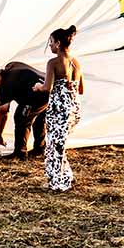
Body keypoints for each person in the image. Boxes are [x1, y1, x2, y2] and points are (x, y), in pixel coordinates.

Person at [33, 25, 84, 192]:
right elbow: (81, 89)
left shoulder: (53, 63)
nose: (50, 45)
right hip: (74, 108)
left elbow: (47, 88)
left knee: (54, 146)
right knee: (59, 145)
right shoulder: (76, 62)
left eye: (51, 42)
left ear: (59, 43)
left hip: (59, 109)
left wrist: (38, 86)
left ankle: (58, 182)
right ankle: (64, 176)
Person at [0, 62, 49, 158]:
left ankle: (20, 152)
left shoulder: (5, 85)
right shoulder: (12, 65)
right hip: (48, 87)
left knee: (21, 119)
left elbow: (3, 113)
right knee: (39, 119)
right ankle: (40, 149)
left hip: (37, 94)